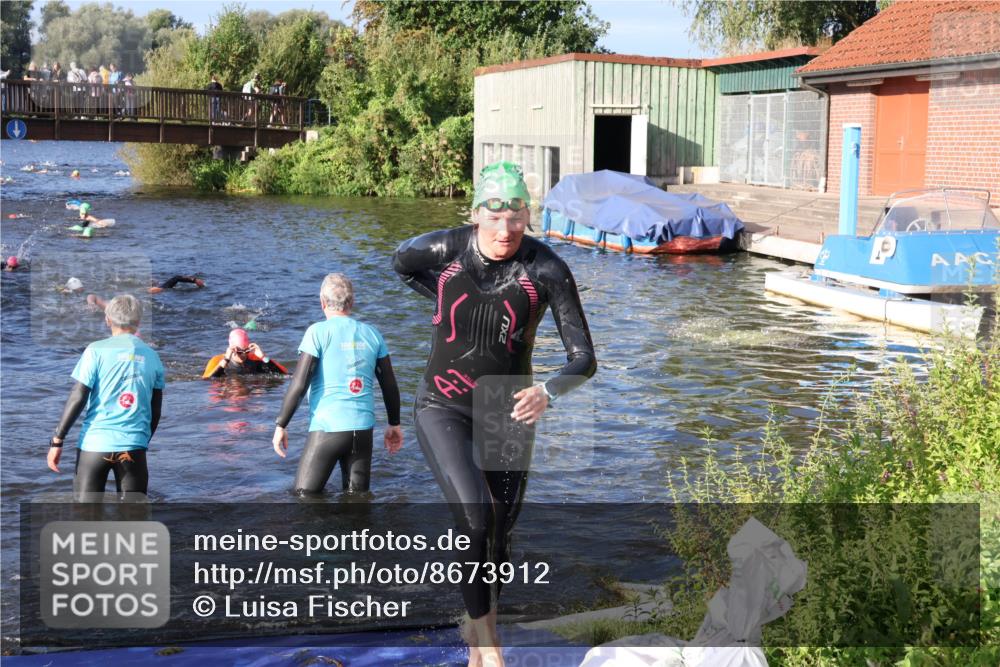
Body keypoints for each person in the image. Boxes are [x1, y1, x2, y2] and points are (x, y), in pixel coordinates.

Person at [392, 160, 596, 667]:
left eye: (516, 219)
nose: (504, 231)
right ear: (477, 213)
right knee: (475, 518)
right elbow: (400, 261)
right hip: (442, 403)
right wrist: (439, 298)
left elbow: (585, 359)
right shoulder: (444, 249)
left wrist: (549, 391)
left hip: (508, 410)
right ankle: (487, 651)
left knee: (500, 534)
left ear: (528, 215)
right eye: (494, 218)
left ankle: (480, 622)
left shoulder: (546, 269)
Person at [272, 273, 403, 494]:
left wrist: (281, 425)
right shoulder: (372, 334)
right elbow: (389, 384)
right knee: (358, 502)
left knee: (304, 497)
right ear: (351, 302)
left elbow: (299, 383)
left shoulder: (317, 333)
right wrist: (394, 424)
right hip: (362, 431)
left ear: (322, 302)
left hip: (327, 429)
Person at [47, 295, 165, 499]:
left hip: (94, 446)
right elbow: (155, 410)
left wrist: (57, 440)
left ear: (107, 320)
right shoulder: (153, 356)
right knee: (133, 521)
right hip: (134, 447)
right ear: (139, 321)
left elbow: (78, 396)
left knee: (87, 520)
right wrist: (141, 441)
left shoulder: (96, 350)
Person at [205, 328, 287, 378]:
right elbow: (208, 381)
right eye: (239, 351)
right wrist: (225, 360)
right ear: (231, 349)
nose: (243, 355)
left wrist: (263, 357)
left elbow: (283, 374)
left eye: (246, 351)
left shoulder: (254, 359)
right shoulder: (216, 361)